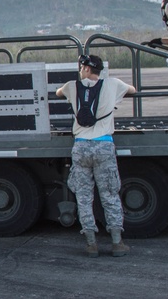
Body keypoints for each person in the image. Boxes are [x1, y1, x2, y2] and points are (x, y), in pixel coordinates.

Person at [56, 54, 136, 258]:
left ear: (84, 68)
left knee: (84, 198)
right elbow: (133, 90)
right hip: (104, 146)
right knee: (109, 195)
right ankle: (117, 243)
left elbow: (58, 93)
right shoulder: (113, 84)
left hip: (81, 146)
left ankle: (91, 244)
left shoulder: (71, 86)